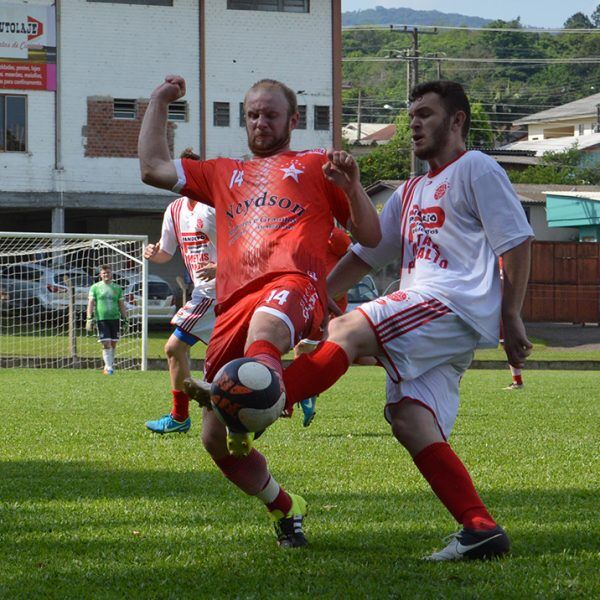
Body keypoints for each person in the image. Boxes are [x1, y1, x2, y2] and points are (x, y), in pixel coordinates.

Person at [280, 80, 534, 561]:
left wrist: (512, 316)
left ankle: (259, 401)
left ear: (457, 121)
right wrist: (314, 294)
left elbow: (517, 240)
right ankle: (480, 528)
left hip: (450, 301)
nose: (414, 123)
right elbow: (367, 253)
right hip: (436, 315)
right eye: (411, 114)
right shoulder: (411, 188)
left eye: (426, 114)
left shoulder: (476, 167)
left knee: (347, 329)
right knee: (409, 418)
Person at [138, 74, 381, 548]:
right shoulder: (221, 171)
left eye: (271, 114)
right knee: (213, 441)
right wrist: (158, 100)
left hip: (294, 286)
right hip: (233, 304)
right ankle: (285, 505)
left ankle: (261, 397)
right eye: (252, 114)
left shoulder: (318, 166)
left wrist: (353, 188)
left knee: (265, 331)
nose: (260, 123)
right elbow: (151, 168)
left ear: (293, 119)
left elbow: (371, 238)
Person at [144, 149, 218, 434]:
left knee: (174, 347)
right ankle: (289, 395)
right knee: (227, 359)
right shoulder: (174, 211)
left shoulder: (214, 206)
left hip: (217, 292)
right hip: (205, 291)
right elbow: (166, 253)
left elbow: (241, 248)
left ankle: (179, 417)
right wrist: (154, 253)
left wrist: (220, 267)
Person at [294, 226, 352, 427]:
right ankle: (305, 394)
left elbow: (354, 262)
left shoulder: (334, 235)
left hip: (329, 303)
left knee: (307, 347)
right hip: (310, 298)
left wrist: (334, 297)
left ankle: (299, 395)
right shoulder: (297, 232)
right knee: (304, 348)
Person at [86, 264, 128, 375]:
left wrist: (125, 318)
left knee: (113, 343)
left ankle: (108, 366)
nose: (106, 275)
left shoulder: (117, 288)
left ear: (111, 274)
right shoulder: (95, 287)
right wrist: (89, 317)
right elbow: (91, 303)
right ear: (100, 275)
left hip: (115, 319)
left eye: (108, 273)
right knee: (106, 342)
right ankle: (109, 368)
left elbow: (121, 304)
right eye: (104, 273)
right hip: (102, 319)